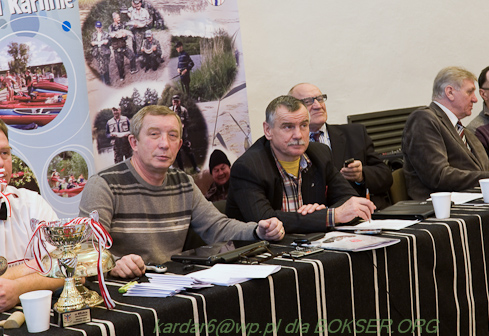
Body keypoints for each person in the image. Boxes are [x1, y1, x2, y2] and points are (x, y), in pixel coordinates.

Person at [79, 105, 284, 278]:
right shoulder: (103, 185)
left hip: (171, 284)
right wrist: (115, 263)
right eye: (154, 134)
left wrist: (257, 231)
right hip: (123, 289)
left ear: (179, 146)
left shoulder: (184, 183)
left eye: (172, 136)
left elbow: (217, 227)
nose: (164, 144)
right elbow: (87, 249)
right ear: (133, 142)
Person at [226, 95, 376, 233]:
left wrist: (321, 214)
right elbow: (266, 221)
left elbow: (349, 199)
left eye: (304, 125)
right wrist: (329, 216)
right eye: (288, 127)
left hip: (310, 244)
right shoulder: (248, 167)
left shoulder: (320, 154)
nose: (298, 135)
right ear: (268, 130)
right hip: (264, 250)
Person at [402, 66, 489, 201]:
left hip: (473, 201)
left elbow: (486, 169)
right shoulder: (423, 119)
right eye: (470, 92)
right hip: (439, 207)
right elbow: (438, 176)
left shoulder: (464, 132)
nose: (475, 99)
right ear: (450, 92)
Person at [289, 83, 393, 209]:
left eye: (320, 99)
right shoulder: (290, 144)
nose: (318, 106)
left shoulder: (355, 134)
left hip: (361, 212)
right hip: (317, 214)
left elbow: (385, 177)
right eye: (308, 102)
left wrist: (361, 175)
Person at [0, 118, 63, 311]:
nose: (1, 163)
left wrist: (19, 288)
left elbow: (69, 267)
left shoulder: (32, 203)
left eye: (4, 153)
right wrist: (34, 265)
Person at [169, 95, 200, 172]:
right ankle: (182, 170)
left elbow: (188, 122)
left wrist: (184, 125)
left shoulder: (184, 110)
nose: (175, 103)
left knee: (188, 151)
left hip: (183, 134)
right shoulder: (169, 110)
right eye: (174, 101)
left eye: (177, 101)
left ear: (179, 102)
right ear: (172, 102)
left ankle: (195, 167)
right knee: (177, 153)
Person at [108, 12, 137, 81]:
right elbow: (109, 37)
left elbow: (125, 37)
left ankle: (133, 69)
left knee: (132, 56)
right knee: (119, 63)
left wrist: (125, 36)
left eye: (119, 17)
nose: (119, 19)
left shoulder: (122, 26)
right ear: (114, 19)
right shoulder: (111, 27)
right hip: (116, 48)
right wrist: (112, 36)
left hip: (123, 46)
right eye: (118, 18)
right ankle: (122, 76)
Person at [90, 21, 111, 85]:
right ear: (95, 27)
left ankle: (107, 81)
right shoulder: (94, 34)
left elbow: (110, 43)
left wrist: (107, 42)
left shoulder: (106, 34)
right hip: (98, 53)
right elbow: (92, 43)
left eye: (100, 27)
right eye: (97, 27)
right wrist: (92, 44)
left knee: (106, 67)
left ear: (102, 27)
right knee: (101, 68)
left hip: (105, 52)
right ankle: (103, 82)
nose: (99, 28)